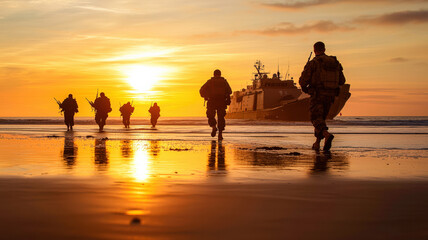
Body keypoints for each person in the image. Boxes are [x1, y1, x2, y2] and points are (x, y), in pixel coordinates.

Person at [299, 41, 346, 151]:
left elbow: (303, 81)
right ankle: (317, 143)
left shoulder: (313, 63)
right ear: (324, 49)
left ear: (314, 50)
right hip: (331, 96)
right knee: (321, 119)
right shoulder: (335, 63)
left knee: (315, 118)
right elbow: (342, 80)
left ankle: (326, 135)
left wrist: (306, 88)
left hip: (317, 95)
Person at [199, 69, 232, 140]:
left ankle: (213, 127)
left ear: (214, 74)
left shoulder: (210, 82)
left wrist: (206, 96)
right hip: (221, 101)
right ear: (220, 74)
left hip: (212, 101)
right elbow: (229, 91)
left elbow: (201, 90)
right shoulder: (224, 82)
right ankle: (220, 134)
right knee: (221, 118)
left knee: (210, 115)